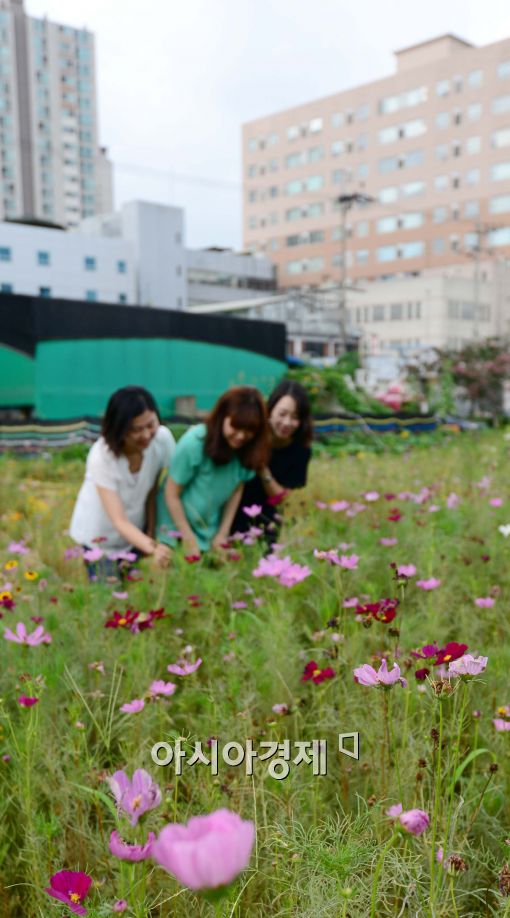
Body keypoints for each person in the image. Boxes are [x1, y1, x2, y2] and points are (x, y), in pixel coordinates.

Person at [70, 386, 174, 578]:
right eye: (136, 429)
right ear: (119, 427)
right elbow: (119, 520)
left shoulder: (162, 440)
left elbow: (152, 492)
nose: (146, 435)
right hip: (100, 539)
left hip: (137, 536)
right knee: (107, 596)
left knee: (134, 598)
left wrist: (150, 535)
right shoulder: (102, 456)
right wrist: (154, 548)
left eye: (150, 424)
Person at [156, 387, 269, 557]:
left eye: (249, 431)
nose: (240, 436)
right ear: (222, 416)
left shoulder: (247, 451)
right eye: (235, 427)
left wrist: (222, 533)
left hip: (208, 531)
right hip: (175, 529)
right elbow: (171, 493)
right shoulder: (195, 442)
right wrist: (187, 538)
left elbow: (236, 489)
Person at [230, 380, 312, 544]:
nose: (287, 422)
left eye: (295, 417)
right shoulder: (250, 433)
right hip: (230, 512)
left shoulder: (301, 450)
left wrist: (262, 468)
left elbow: (282, 498)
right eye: (282, 414)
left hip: (265, 521)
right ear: (270, 411)